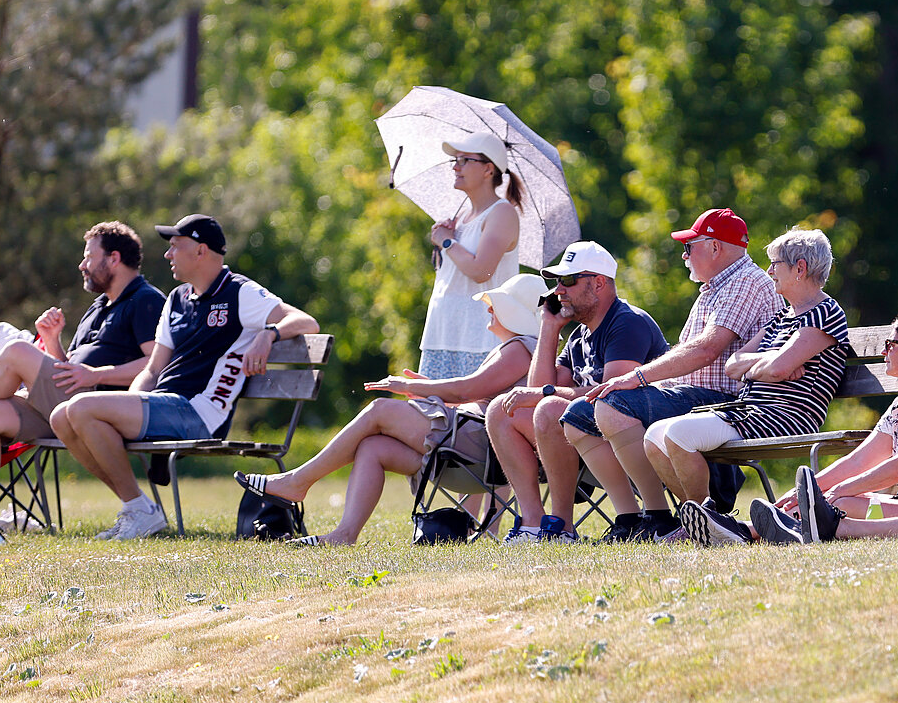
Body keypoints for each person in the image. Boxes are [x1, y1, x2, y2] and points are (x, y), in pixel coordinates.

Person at [50, 214, 318, 540]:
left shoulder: (238, 291)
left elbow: (305, 321)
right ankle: (136, 507)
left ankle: (141, 510)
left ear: (201, 251)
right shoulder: (177, 298)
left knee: (79, 408)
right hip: (167, 403)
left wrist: (268, 334)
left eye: (175, 246)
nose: (167, 254)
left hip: (200, 413)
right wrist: (133, 398)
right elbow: (152, 370)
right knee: (61, 417)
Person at [232, 274, 546, 545]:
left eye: (497, 305)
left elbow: (467, 389)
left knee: (380, 410)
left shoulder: (521, 348)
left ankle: (298, 482)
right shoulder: (515, 349)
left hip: (478, 449)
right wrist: (427, 387)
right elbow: (474, 395)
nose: (489, 308)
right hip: (470, 449)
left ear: (515, 314)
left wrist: (415, 388)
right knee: (373, 447)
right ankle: (344, 534)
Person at [573, 208, 778, 541]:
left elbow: (704, 351)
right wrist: (641, 381)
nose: (684, 256)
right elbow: (689, 354)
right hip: (698, 398)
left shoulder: (746, 283)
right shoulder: (716, 288)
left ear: (715, 248)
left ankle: (668, 515)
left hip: (727, 405)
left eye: (690, 246)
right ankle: (659, 517)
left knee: (612, 405)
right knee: (577, 414)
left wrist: (637, 378)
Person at [654, 229, 851, 547]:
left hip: (786, 415)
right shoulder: (782, 317)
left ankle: (712, 525)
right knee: (654, 436)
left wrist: (769, 366)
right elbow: (734, 365)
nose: (769, 270)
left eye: (775, 264)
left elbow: (774, 368)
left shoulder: (825, 313)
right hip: (751, 410)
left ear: (799, 268)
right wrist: (774, 362)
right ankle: (714, 523)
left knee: (677, 434)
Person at [749, 312, 898, 544]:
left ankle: (759, 530)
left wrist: (836, 491)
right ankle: (751, 529)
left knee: (844, 502)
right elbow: (859, 461)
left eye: (891, 344)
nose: (883, 351)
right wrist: (807, 490)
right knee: (835, 501)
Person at [487, 241, 668, 543]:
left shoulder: (627, 322)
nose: (558, 290)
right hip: (584, 436)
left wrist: (543, 395)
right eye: (557, 282)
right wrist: (549, 327)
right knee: (501, 410)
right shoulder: (578, 335)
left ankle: (561, 527)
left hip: (635, 439)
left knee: (549, 408)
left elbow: (613, 394)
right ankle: (533, 523)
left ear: (598, 284)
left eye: (568, 281)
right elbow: (536, 391)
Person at [0, 222, 166, 476]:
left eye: (88, 257)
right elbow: (70, 368)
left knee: (17, 350)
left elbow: (156, 364)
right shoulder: (98, 306)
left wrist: (98, 375)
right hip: (60, 405)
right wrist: (52, 340)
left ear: (114, 258)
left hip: (99, 405)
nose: (82, 265)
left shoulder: (145, 300)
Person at [419, 131, 522, 380]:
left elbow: (480, 271)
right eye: (455, 160)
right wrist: (449, 238)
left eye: (465, 160)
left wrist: (446, 241)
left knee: (469, 417)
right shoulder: (462, 218)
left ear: (488, 170)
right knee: (432, 417)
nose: (456, 167)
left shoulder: (502, 213)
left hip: (478, 339)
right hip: (443, 334)